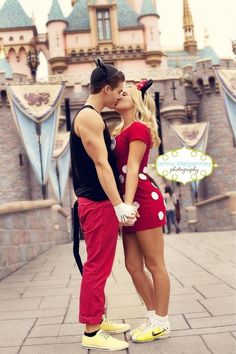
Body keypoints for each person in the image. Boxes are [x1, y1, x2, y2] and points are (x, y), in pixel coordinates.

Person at [70, 58, 137, 351]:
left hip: (98, 202)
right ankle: (92, 331)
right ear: (106, 88)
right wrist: (119, 204)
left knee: (103, 265)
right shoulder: (90, 117)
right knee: (97, 266)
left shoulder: (94, 116)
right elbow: (101, 164)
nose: (120, 96)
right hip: (97, 203)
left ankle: (98, 317)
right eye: (119, 91)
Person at [113, 80, 171, 343]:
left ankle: (162, 320)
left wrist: (125, 205)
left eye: (124, 93)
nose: (118, 96)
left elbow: (133, 168)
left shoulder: (139, 128)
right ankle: (152, 316)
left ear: (135, 100)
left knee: (154, 264)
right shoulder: (117, 130)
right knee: (133, 265)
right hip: (129, 201)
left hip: (143, 201)